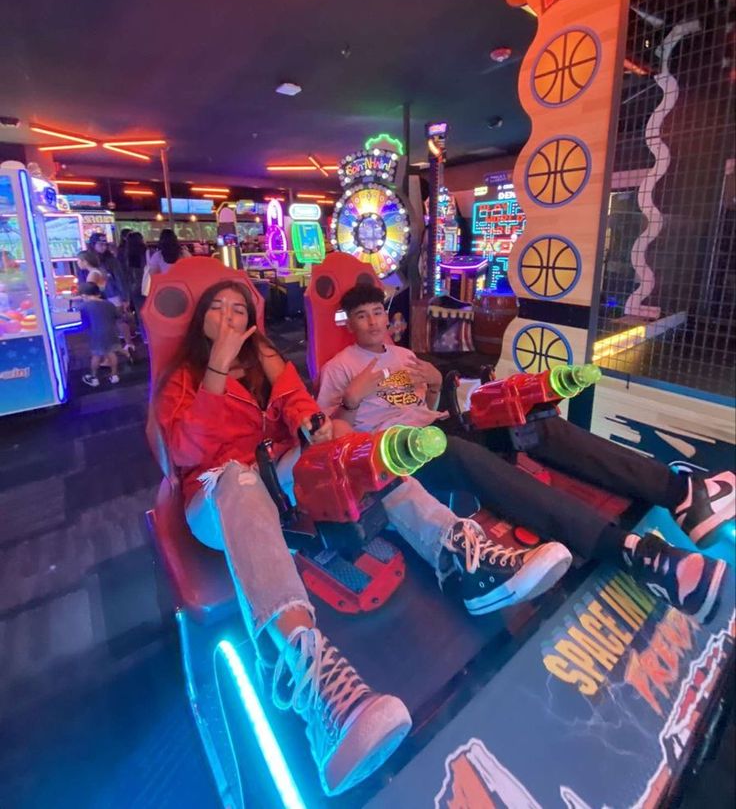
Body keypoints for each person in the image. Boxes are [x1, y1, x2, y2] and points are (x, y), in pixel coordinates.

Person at [154, 280, 570, 795]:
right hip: (217, 491)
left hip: (278, 472)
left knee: (352, 445)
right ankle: (313, 681)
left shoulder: (264, 359)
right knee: (238, 479)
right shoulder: (185, 378)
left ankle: (462, 556)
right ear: (202, 322)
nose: (230, 317)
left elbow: (297, 403)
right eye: (218, 308)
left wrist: (313, 426)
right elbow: (188, 447)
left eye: (240, 309)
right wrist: (218, 362)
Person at [318, 284, 734, 625]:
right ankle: (631, 552)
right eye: (362, 316)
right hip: (400, 452)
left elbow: (425, 403)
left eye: (377, 312)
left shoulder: (404, 354)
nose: (373, 322)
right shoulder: (339, 368)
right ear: (350, 323)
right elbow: (329, 440)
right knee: (472, 458)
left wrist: (430, 384)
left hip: (440, 424)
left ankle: (681, 492)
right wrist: (354, 399)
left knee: (532, 425)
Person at [87, 232, 135, 357]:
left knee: (119, 320)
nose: (103, 247)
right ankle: (112, 350)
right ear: (93, 245)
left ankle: (127, 344)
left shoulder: (110, 260)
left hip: (111, 294)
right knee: (105, 323)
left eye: (105, 244)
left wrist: (125, 298)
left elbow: (120, 279)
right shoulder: (94, 260)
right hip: (100, 296)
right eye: (100, 244)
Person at [78, 282, 120, 387]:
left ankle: (94, 377)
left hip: (96, 334)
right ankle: (114, 375)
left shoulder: (83, 306)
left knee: (96, 355)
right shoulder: (109, 304)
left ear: (84, 295)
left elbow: (82, 322)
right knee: (111, 353)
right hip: (111, 332)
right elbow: (117, 317)